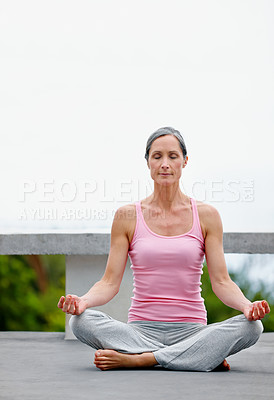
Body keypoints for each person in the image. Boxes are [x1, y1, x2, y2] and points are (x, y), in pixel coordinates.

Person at [57, 126, 270, 372]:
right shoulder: (127, 216)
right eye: (157, 156)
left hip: (192, 332)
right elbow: (109, 283)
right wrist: (83, 301)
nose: (165, 164)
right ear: (148, 162)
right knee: (81, 322)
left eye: (173, 156)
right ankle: (195, 358)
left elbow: (222, 282)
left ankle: (144, 359)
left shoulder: (207, 216)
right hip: (139, 331)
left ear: (185, 161)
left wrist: (246, 306)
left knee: (252, 327)